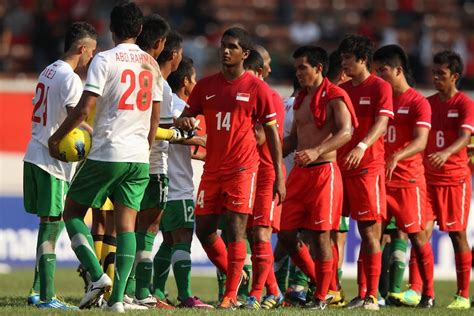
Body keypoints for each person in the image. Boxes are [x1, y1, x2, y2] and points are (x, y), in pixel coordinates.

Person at [48, 2, 162, 312]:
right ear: (139, 30)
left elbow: (85, 108)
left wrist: (57, 137)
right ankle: (117, 302)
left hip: (109, 150)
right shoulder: (151, 64)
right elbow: (154, 118)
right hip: (139, 155)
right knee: (126, 226)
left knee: (71, 211)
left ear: (111, 29)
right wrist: (145, 149)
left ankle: (97, 276)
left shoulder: (104, 59)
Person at [175, 27, 285, 309]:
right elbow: (187, 116)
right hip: (212, 170)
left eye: (233, 47)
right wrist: (184, 121)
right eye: (224, 45)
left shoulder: (257, 88)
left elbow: (272, 134)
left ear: (244, 54)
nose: (226, 50)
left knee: (237, 231)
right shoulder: (206, 86)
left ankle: (230, 295)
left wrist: (279, 174)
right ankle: (238, 277)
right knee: (205, 230)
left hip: (242, 169)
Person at [23, 21, 97, 310]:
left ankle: (36, 290)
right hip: (51, 160)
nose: (92, 58)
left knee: (47, 224)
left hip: (34, 152)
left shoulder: (48, 70)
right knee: (52, 227)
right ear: (82, 48)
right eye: (92, 52)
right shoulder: (70, 78)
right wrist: (97, 135)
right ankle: (48, 296)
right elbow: (75, 116)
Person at [278, 45, 357, 310]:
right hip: (300, 175)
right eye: (296, 68)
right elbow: (293, 139)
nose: (298, 73)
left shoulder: (336, 95)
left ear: (319, 68)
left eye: (303, 67)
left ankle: (321, 297)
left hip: (325, 173)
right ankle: (324, 284)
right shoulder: (300, 98)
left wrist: (317, 151)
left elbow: (347, 132)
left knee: (322, 237)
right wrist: (265, 149)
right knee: (287, 233)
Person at [373, 44, 435, 308]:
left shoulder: (417, 102)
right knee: (372, 234)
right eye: (376, 70)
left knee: (417, 236)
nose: (378, 75)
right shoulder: (381, 99)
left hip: (408, 181)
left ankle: (428, 294)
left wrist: (397, 156)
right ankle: (371, 294)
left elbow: (421, 142)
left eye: (382, 70)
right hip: (380, 180)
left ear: (398, 70)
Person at [337, 34, 394, 310]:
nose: (344, 62)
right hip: (340, 168)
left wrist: (361, 145)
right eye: (343, 57)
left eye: (348, 58)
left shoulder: (379, 87)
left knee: (370, 232)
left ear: (362, 60)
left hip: (367, 168)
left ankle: (372, 294)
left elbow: (382, 123)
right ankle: (343, 292)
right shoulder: (343, 88)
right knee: (333, 230)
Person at [126, 28, 181, 310]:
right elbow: (159, 128)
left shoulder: (134, 72)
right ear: (172, 52)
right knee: (149, 228)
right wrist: (179, 133)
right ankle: (142, 291)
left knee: (130, 227)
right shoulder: (162, 84)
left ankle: (126, 289)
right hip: (153, 163)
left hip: (127, 159)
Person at [423, 51, 473, 309]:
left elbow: (466, 137)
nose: (435, 78)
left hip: (454, 179)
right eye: (434, 73)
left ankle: (463, 295)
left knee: (456, 235)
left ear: (454, 76)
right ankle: (423, 292)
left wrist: (445, 153)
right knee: (420, 233)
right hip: (427, 180)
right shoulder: (428, 104)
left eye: (440, 74)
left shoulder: (465, 104)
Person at [162, 56, 212, 308]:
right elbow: (174, 137)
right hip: (177, 184)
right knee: (182, 237)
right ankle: (185, 295)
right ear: (186, 81)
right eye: (195, 78)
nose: (197, 83)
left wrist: (205, 152)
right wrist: (203, 140)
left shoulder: (165, 101)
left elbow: (186, 148)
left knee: (168, 241)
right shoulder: (177, 105)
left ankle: (155, 292)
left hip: (164, 182)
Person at [241, 49, 285, 310]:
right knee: (251, 233)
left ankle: (255, 295)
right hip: (251, 172)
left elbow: (261, 137)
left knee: (261, 234)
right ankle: (275, 292)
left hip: (267, 171)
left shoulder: (267, 96)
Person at [325, 50, 351, 307]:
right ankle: (332, 286)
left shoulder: (321, 95)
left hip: (333, 174)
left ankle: (332, 287)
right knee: (334, 235)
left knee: (331, 234)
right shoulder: (338, 96)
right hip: (336, 174)